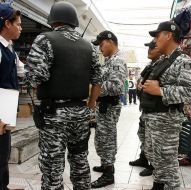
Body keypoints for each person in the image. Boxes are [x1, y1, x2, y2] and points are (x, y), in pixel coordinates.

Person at [24, 2, 102, 190]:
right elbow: (98, 79)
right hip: (81, 112)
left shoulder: (45, 40)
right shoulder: (90, 47)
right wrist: (90, 105)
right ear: (74, 22)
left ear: (53, 21)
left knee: (52, 166)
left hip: (54, 115)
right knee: (80, 160)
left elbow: (35, 76)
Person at [140, 21, 191, 190]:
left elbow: (190, 91)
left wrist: (160, 91)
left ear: (169, 35)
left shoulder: (183, 60)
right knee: (155, 157)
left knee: (167, 160)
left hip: (167, 120)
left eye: (158, 35)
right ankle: (158, 185)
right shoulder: (163, 60)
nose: (155, 39)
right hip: (153, 118)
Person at [91, 30, 128, 188]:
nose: (100, 48)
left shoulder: (117, 61)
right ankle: (105, 165)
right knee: (101, 138)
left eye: (101, 44)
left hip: (109, 106)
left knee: (107, 139)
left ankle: (109, 174)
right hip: (103, 105)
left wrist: (93, 89)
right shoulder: (109, 60)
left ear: (110, 41)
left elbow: (116, 86)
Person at [129, 40, 162, 177]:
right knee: (142, 134)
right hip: (146, 108)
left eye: (152, 47)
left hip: (156, 111)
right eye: (148, 47)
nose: (149, 50)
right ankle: (144, 158)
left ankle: (153, 165)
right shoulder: (151, 65)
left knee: (152, 139)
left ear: (160, 49)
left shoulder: (162, 65)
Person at [0, 3, 23, 190]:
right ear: (7, 24)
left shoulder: (10, 48)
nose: (20, 28)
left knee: (4, 151)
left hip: (6, 109)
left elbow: (22, 70)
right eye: (18, 24)